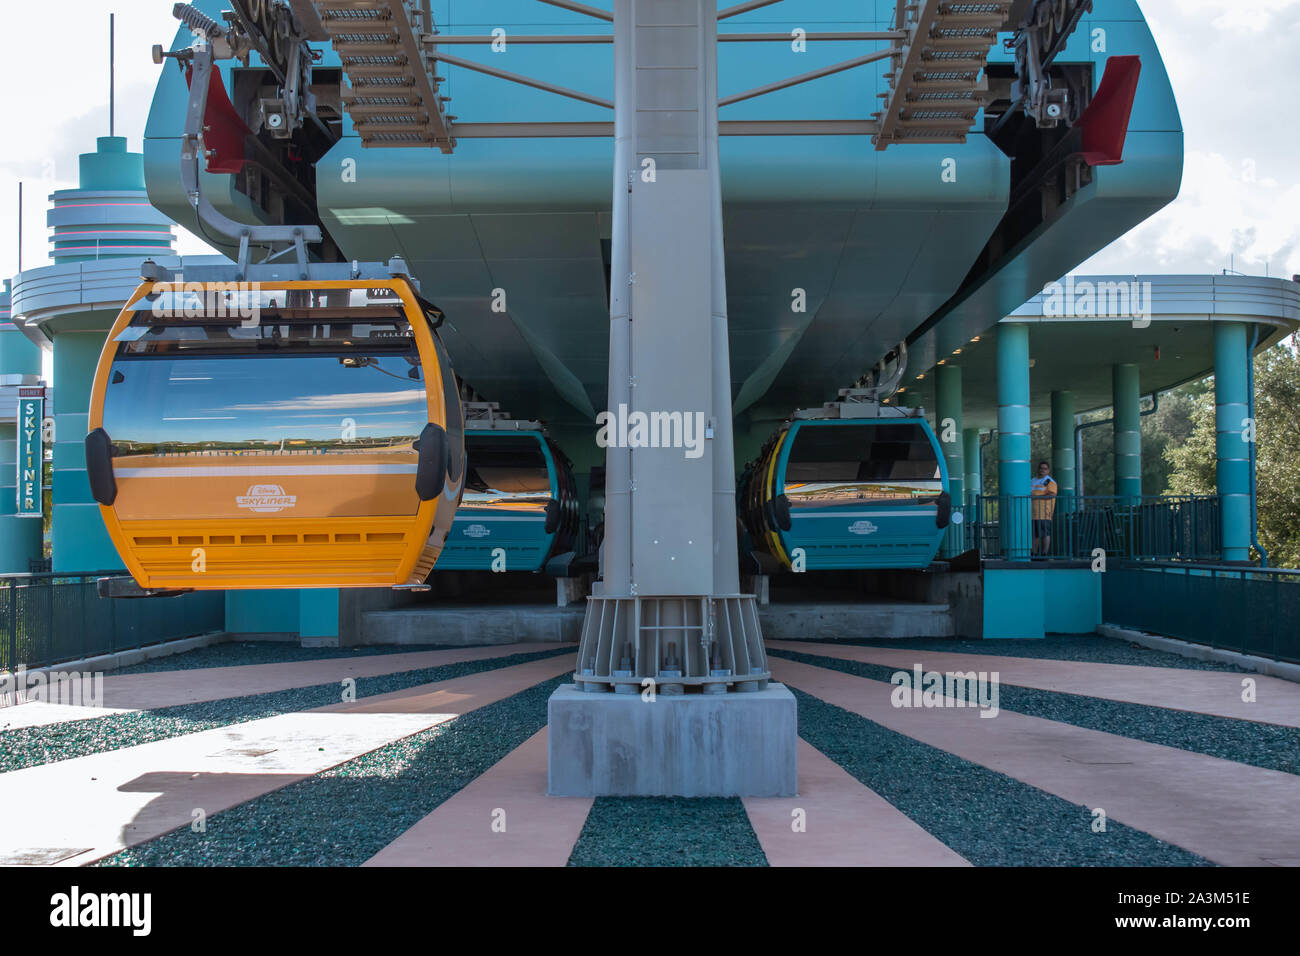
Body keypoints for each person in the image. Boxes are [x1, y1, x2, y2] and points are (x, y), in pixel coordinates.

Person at [1030, 461, 1058, 557]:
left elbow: (1052, 495)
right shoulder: (1032, 480)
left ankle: (1045, 553)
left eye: (1045, 468)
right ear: (1038, 469)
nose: (1042, 470)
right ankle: (1034, 553)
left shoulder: (1049, 481)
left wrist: (1036, 497)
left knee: (1045, 533)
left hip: (1044, 512)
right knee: (1035, 534)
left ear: (1048, 470)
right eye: (1041, 468)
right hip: (1032, 513)